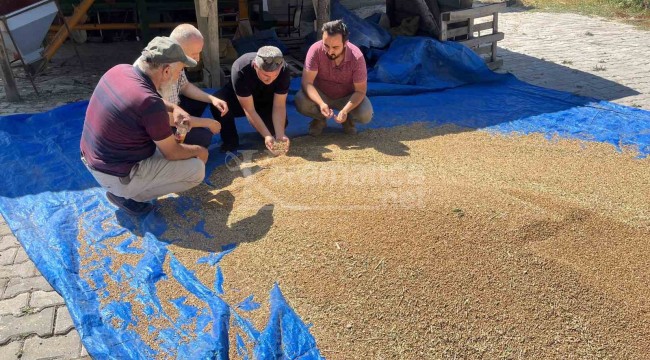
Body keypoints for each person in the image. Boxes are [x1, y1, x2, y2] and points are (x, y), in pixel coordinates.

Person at [80, 37, 208, 216]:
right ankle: (128, 196)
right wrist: (200, 151)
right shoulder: (150, 104)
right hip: (116, 174)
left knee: (167, 143)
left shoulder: (120, 70)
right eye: (179, 71)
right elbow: (172, 153)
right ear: (166, 71)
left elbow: (143, 96)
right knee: (196, 169)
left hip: (95, 159)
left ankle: (125, 189)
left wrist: (174, 107)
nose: (179, 76)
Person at [295, 19, 373, 136]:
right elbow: (307, 83)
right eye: (326, 45)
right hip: (321, 94)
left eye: (335, 47)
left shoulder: (357, 57)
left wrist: (345, 110)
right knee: (300, 100)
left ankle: (347, 119)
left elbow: (360, 91)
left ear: (345, 43)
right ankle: (320, 119)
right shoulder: (315, 50)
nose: (330, 51)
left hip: (347, 97)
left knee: (365, 114)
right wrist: (321, 103)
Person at [211, 46, 291, 155]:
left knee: (274, 130)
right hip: (240, 100)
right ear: (255, 66)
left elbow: (279, 106)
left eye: (275, 75)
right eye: (266, 75)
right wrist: (267, 136)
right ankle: (230, 141)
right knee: (218, 103)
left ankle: (270, 133)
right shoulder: (240, 68)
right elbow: (249, 109)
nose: (270, 80)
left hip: (266, 101)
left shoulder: (284, 70)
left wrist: (280, 135)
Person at [161, 23, 228, 148]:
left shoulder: (176, 60)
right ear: (179, 49)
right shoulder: (161, 72)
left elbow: (184, 86)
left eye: (199, 53)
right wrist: (207, 123)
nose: (197, 59)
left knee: (201, 100)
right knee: (204, 138)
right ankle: (176, 148)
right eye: (193, 54)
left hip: (173, 111)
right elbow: (164, 117)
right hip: (160, 123)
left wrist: (211, 98)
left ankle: (186, 131)